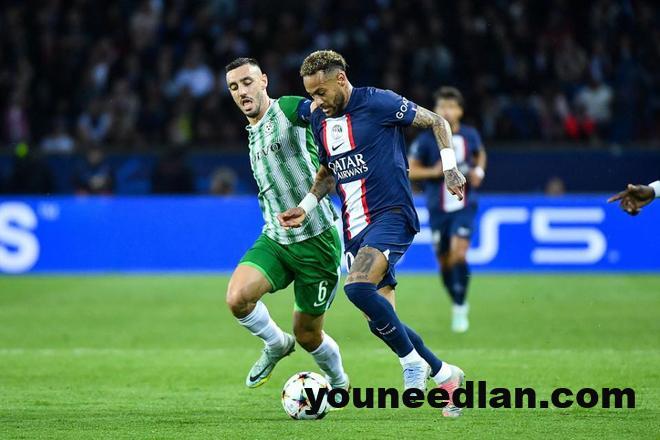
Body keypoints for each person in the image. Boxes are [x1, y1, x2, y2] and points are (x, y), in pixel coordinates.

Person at [278, 50, 466, 417]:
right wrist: (306, 206)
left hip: (391, 215)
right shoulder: (319, 119)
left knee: (356, 287)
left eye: (321, 92)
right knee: (382, 322)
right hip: (355, 228)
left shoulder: (379, 102)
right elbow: (328, 173)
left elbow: (437, 121)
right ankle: (446, 375)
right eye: (311, 94)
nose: (316, 101)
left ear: (341, 79)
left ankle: (412, 364)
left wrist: (449, 169)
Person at [224, 57, 349, 394]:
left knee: (307, 334)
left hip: (317, 240)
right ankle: (276, 343)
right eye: (234, 87)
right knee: (237, 299)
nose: (241, 91)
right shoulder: (252, 132)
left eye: (247, 82)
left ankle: (339, 382)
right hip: (276, 238)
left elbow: (319, 111)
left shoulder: (288, 109)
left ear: (264, 81)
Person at [409, 87, 487, 333]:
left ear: (460, 111)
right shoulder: (425, 140)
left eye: (451, 106)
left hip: (464, 204)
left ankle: (460, 306)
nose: (447, 111)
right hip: (438, 208)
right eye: (442, 106)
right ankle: (456, 299)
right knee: (444, 262)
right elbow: (411, 170)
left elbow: (480, 154)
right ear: (435, 110)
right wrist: (434, 172)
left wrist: (478, 171)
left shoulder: (470, 135)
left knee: (458, 254)